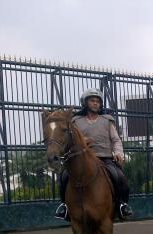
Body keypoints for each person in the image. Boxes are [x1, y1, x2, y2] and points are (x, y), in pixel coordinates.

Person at [55, 88, 133, 220]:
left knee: (120, 177)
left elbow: (116, 140)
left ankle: (122, 205)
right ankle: (64, 206)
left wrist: (119, 153)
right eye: (92, 101)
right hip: (82, 159)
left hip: (104, 157)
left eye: (98, 101)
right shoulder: (76, 121)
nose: (95, 103)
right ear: (85, 103)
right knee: (63, 176)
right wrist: (83, 141)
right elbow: (71, 139)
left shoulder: (107, 120)